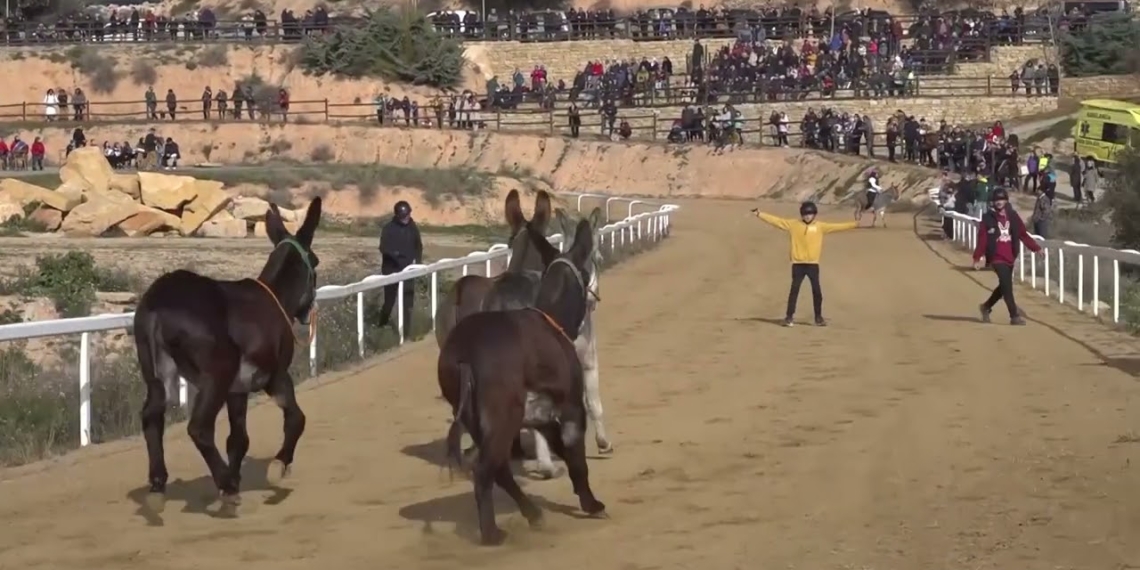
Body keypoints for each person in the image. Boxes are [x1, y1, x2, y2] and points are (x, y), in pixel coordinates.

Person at [751, 201, 859, 327]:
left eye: (810, 214)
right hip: (798, 264)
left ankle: (818, 318)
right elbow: (777, 221)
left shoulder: (820, 226)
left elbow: (837, 226)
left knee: (817, 291)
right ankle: (789, 317)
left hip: (813, 264)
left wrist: (855, 224)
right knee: (794, 291)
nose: (808, 216)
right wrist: (759, 214)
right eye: (805, 214)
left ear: (814, 215)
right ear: (801, 214)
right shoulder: (793, 225)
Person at [972, 188, 1042, 326]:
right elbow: (982, 239)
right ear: (993, 202)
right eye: (996, 200)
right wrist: (977, 257)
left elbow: (1023, 234)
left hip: (1010, 256)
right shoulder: (987, 218)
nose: (999, 202)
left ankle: (986, 306)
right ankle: (1014, 316)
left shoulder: (1013, 216)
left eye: (1001, 199)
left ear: (1006, 200)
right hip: (996, 258)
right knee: (1007, 287)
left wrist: (1036, 248)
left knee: (1004, 287)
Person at [378, 200, 423, 334]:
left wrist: (418, 262)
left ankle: (406, 333)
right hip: (391, 270)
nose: (406, 218)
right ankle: (381, 326)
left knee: (407, 303)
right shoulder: (388, 229)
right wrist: (397, 256)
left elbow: (418, 246)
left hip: (409, 269)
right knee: (389, 302)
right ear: (397, 216)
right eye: (404, 216)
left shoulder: (412, 227)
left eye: (408, 215)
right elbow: (383, 248)